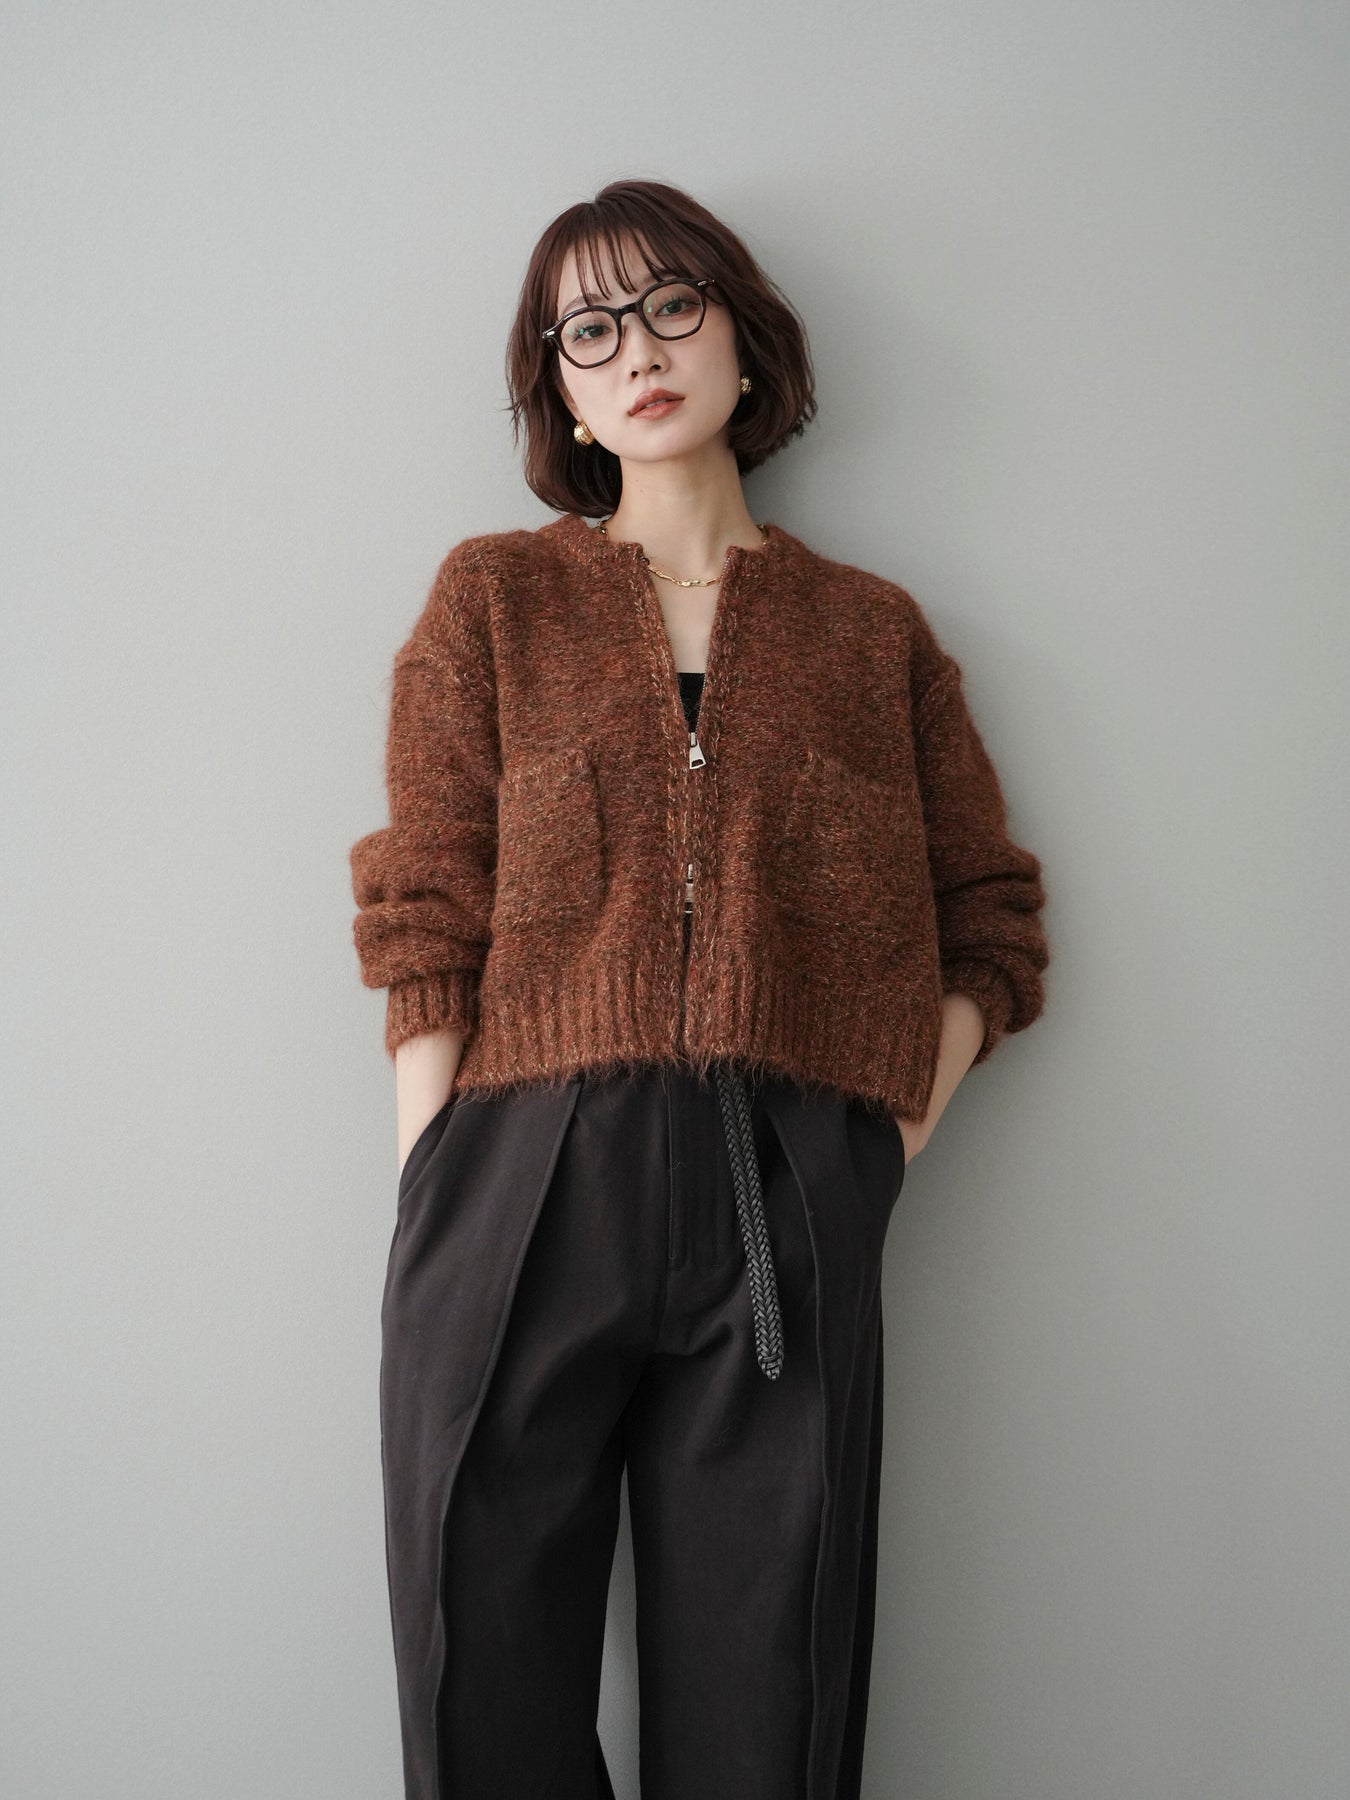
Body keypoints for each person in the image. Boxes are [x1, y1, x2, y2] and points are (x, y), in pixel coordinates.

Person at [349, 177, 1051, 1800]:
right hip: (521, 1172)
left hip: (783, 1184)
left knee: (768, 1709)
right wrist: (436, 1174)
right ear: (559, 388)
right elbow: (425, 901)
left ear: (743, 337)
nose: (637, 353)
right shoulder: (492, 602)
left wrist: (879, 1143)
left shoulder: (869, 635)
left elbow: (991, 922)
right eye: (588, 330)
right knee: (484, 1691)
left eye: (672, 306)